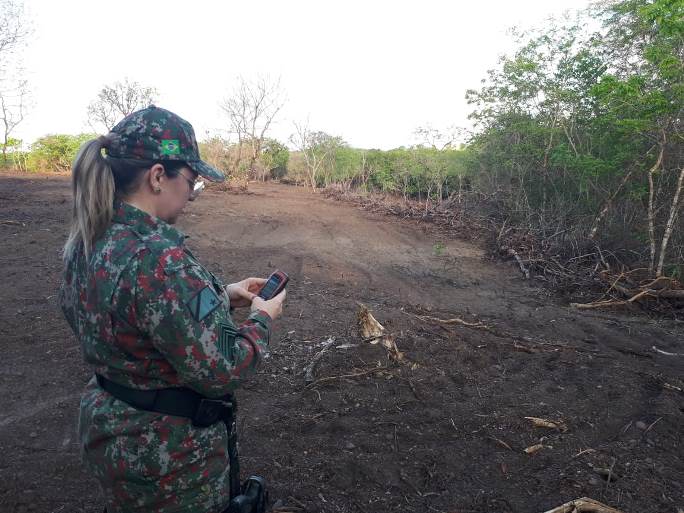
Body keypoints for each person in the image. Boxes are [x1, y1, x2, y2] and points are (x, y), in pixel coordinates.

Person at [58, 105, 286, 513]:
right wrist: (262, 318)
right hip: (168, 460)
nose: (192, 196)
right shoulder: (159, 259)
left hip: (111, 435)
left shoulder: (91, 238)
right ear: (158, 176)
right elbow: (223, 369)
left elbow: (130, 320)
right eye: (192, 181)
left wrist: (225, 294)